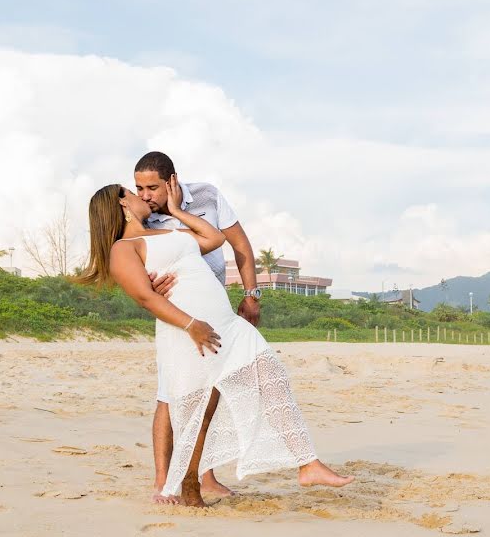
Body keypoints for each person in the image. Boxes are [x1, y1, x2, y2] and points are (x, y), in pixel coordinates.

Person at [77, 178, 353, 506]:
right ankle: (191, 490)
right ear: (121, 204)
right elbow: (144, 298)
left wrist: (177, 210)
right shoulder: (123, 249)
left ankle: (307, 463)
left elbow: (214, 236)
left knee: (268, 375)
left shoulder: (166, 232)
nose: (140, 197)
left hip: (225, 326)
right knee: (200, 412)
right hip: (189, 333)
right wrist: (191, 325)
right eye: (132, 192)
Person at [134, 151, 262, 502]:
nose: (145, 195)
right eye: (139, 188)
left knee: (209, 394)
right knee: (168, 395)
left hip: (215, 312)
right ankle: (163, 480)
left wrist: (251, 295)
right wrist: (148, 289)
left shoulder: (207, 195)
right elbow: (131, 269)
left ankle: (204, 477)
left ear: (172, 180)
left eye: (152, 187)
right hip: (176, 316)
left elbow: (240, 246)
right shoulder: (140, 216)